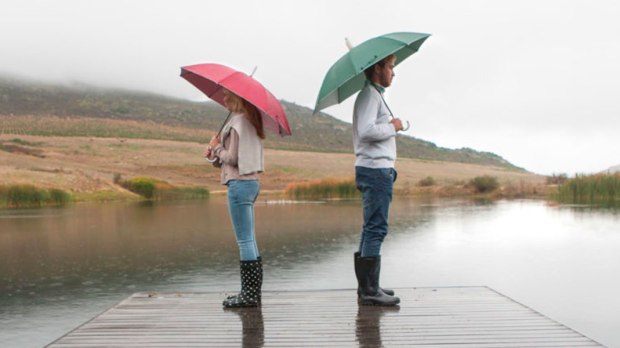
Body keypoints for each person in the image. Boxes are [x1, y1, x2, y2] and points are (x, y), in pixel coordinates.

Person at [205, 89, 265, 308]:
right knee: (250, 238)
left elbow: (232, 158)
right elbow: (232, 159)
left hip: (239, 185)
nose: (224, 99)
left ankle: (249, 295)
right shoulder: (251, 122)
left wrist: (217, 147)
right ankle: (253, 293)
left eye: (228, 96)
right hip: (252, 183)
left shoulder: (237, 123)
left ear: (239, 98)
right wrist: (215, 155)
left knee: (245, 240)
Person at [352, 54, 403, 306]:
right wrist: (393, 127)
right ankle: (369, 291)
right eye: (391, 67)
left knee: (370, 227)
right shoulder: (370, 96)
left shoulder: (374, 94)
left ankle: (368, 287)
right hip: (375, 171)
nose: (393, 72)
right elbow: (366, 131)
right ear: (377, 68)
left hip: (376, 170)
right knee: (376, 228)